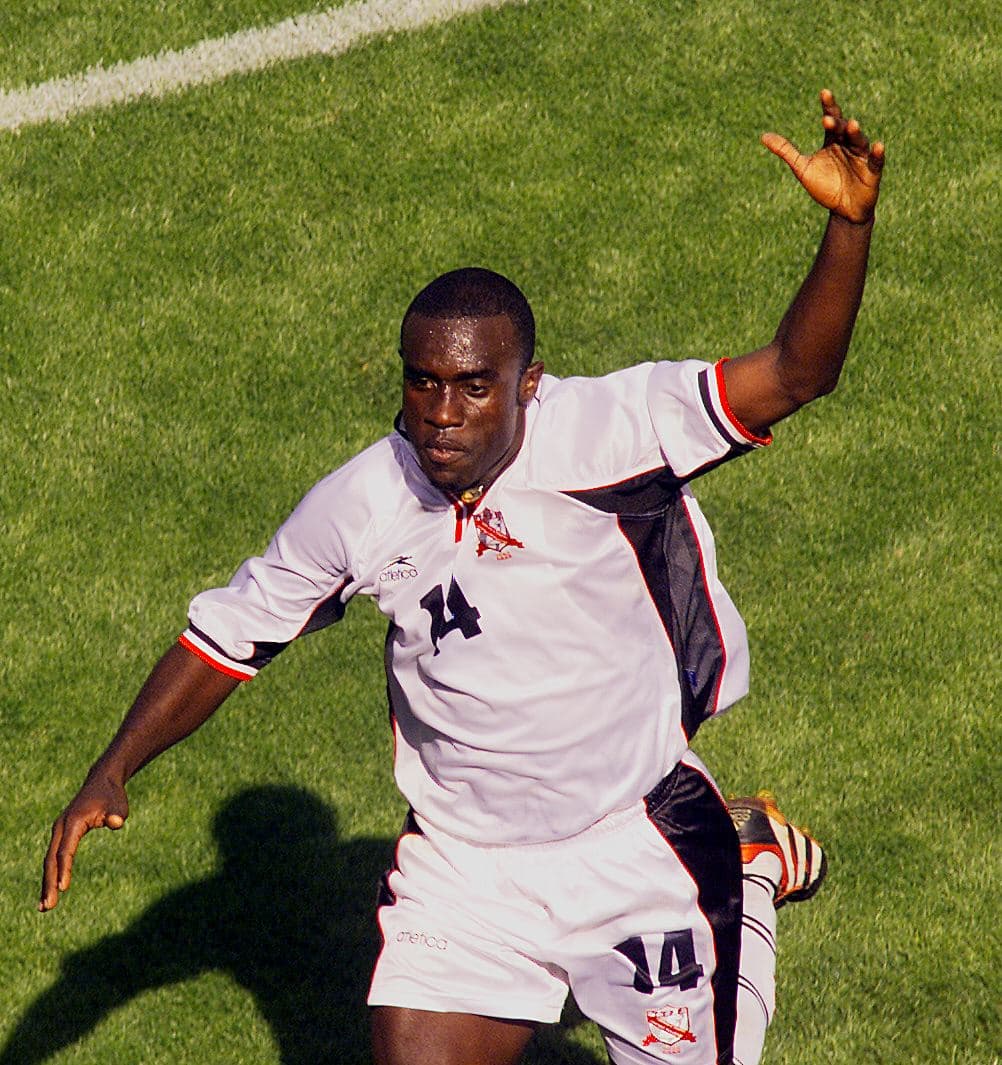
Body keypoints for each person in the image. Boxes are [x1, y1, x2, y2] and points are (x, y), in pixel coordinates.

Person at [39, 89, 884, 1065]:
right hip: (467, 867)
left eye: (475, 386)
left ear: (528, 382)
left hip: (634, 838)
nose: (442, 412)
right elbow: (227, 639)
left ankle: (744, 866)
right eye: (421, 382)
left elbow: (795, 371)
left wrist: (847, 226)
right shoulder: (363, 501)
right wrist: (110, 770)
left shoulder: (611, 432)